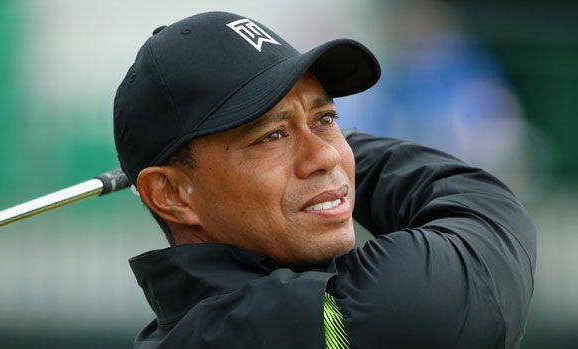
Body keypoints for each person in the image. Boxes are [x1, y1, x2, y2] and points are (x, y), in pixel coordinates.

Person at [113, 11, 536, 349]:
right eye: (271, 136)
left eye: (326, 118)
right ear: (169, 194)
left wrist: (311, 141)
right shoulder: (289, 323)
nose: (327, 154)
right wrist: (342, 145)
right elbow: (482, 211)